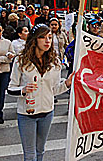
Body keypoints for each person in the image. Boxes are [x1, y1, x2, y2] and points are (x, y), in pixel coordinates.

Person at [7, 24, 74, 161]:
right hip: (27, 114)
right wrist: (23, 90)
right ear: (34, 40)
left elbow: (54, 90)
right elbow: (10, 88)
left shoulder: (54, 61)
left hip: (47, 113)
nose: (47, 41)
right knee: (30, 154)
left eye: (49, 37)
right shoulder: (21, 60)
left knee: (40, 151)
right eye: (42, 37)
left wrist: (67, 84)